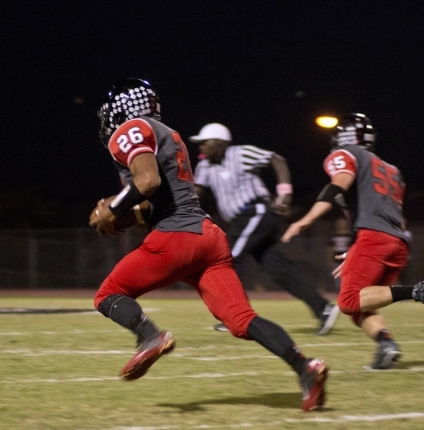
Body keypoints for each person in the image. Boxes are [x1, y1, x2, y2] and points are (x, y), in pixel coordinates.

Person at [89, 78, 328, 412]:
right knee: (241, 319)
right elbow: (153, 203)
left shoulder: (130, 130)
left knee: (107, 295)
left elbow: (148, 181)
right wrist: (121, 219)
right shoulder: (168, 135)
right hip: (208, 238)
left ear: (122, 108)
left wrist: (111, 209)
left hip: (176, 237)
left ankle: (149, 336)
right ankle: (306, 367)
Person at [281, 113, 424, 369]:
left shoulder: (346, 155)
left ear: (345, 136)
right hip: (396, 242)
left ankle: (420, 291)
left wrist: (305, 220)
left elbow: (338, 185)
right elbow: (395, 216)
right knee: (360, 307)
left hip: (374, 237)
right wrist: (357, 250)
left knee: (347, 302)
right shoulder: (392, 170)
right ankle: (386, 345)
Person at [189, 123, 339, 335]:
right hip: (244, 219)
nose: (201, 147)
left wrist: (284, 193)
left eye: (205, 142)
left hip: (256, 212)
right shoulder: (205, 166)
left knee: (227, 257)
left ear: (220, 143)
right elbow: (197, 191)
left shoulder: (240, 153)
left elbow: (277, 159)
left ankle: (236, 314)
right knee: (279, 270)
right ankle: (322, 308)